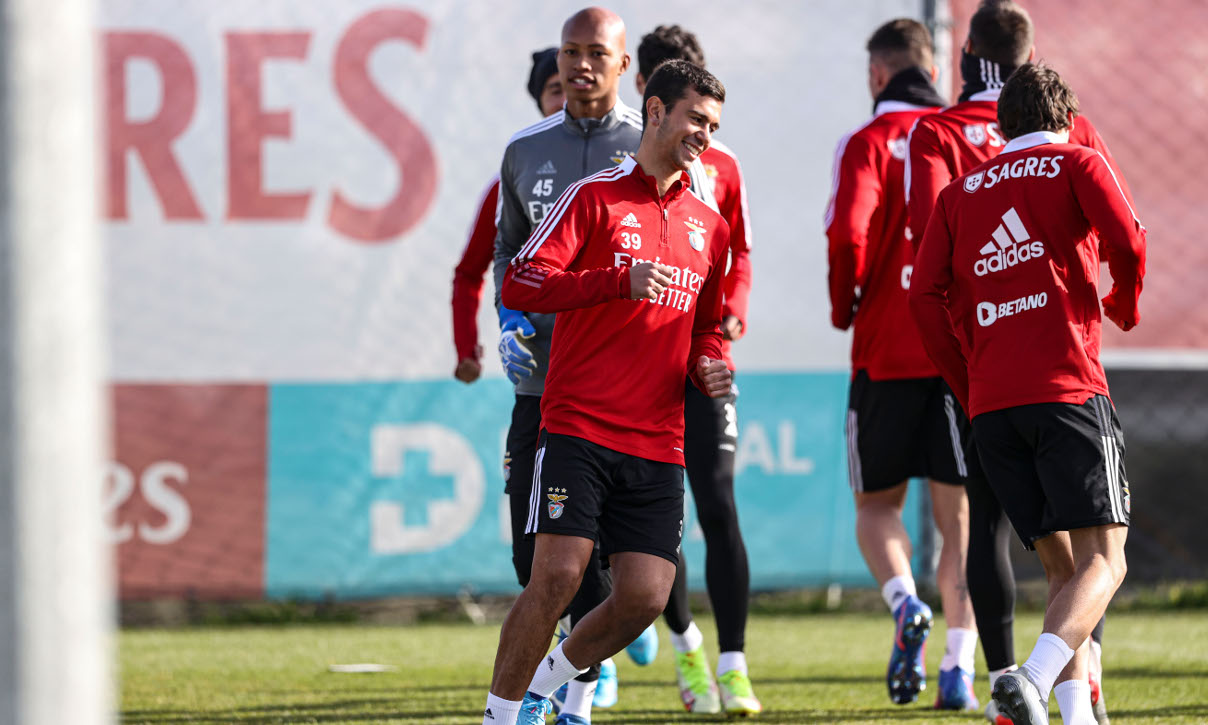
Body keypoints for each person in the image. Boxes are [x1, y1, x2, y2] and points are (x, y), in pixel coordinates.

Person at [480, 59, 731, 725]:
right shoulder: (595, 197)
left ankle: (546, 681)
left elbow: (708, 323)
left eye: (712, 124)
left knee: (647, 594)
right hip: (578, 425)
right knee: (557, 575)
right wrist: (614, 281)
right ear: (654, 110)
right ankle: (500, 715)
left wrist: (711, 361)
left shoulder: (711, 223)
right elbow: (522, 281)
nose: (703, 134)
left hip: (658, 438)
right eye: (694, 119)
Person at [906, 3, 1128, 721]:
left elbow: (923, 296)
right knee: (1107, 561)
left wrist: (966, 377)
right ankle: (1028, 678)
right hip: (1066, 387)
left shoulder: (959, 189)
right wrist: (1122, 302)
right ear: (1066, 119)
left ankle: (1076, 715)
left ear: (1000, 123)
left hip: (992, 404)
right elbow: (1129, 236)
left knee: (1062, 568)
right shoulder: (1077, 158)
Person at [824, 18, 978, 710]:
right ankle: (958, 668)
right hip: (956, 351)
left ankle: (903, 601)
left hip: (884, 351)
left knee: (876, 505)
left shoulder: (867, 142)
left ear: (878, 75)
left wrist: (844, 305)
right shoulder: (960, 137)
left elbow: (847, 233)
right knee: (960, 522)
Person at [633, 24, 759, 716]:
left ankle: (734, 663)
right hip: (642, 367)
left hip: (706, 362)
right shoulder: (624, 164)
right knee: (661, 516)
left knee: (717, 500)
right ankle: (686, 645)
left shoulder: (723, 165)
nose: (699, 128)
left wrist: (730, 315)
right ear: (647, 96)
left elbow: (738, 253)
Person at [450, 48, 564, 384]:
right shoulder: (512, 182)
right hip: (541, 371)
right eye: (556, 90)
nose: (567, 101)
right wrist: (467, 349)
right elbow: (469, 274)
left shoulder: (624, 170)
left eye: (573, 88)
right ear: (540, 102)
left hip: (618, 369)